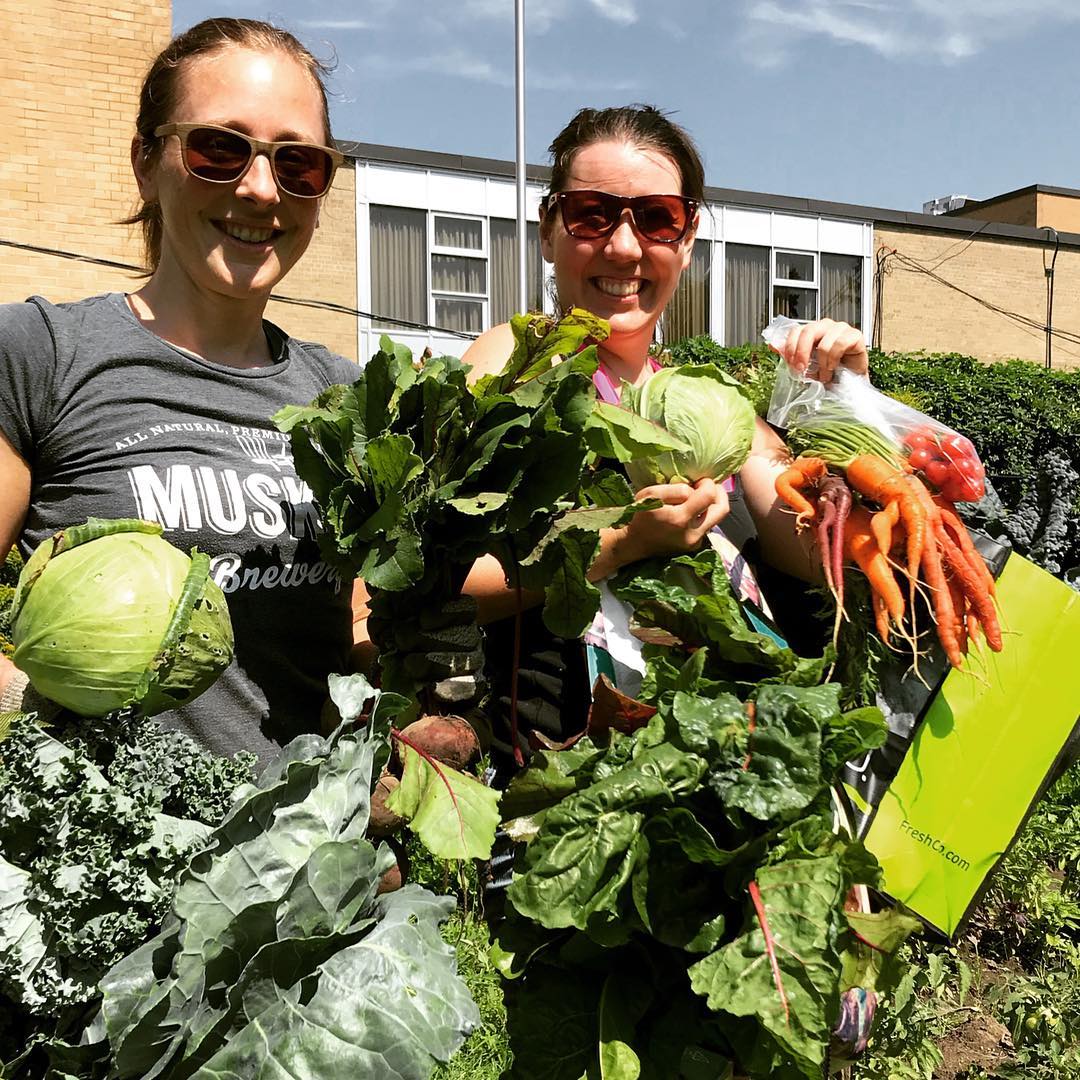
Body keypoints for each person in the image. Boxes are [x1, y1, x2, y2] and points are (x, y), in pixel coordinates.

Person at [0, 18, 365, 762]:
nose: (262, 189)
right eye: (219, 150)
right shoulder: (42, 354)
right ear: (146, 162)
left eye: (299, 164)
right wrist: (44, 737)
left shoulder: (347, 400)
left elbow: (357, 629)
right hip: (100, 870)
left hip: (303, 868)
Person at [461, 105, 870, 765]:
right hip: (559, 783)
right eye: (592, 213)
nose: (623, 247)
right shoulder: (513, 361)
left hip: (706, 769)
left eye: (655, 218)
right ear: (547, 229)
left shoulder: (706, 405)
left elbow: (822, 549)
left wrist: (845, 410)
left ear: (686, 237)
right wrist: (621, 543)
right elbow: (432, 581)